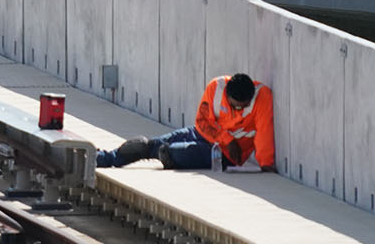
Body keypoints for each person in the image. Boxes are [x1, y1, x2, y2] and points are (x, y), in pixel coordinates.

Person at [95, 73, 276, 173]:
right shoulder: (216, 86)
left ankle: (172, 158)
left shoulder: (262, 97)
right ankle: (104, 158)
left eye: (243, 106)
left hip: (223, 156)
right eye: (235, 106)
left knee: (169, 151)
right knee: (148, 145)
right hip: (202, 134)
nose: (239, 110)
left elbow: (265, 132)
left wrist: (266, 163)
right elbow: (201, 121)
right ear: (228, 95)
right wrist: (227, 139)